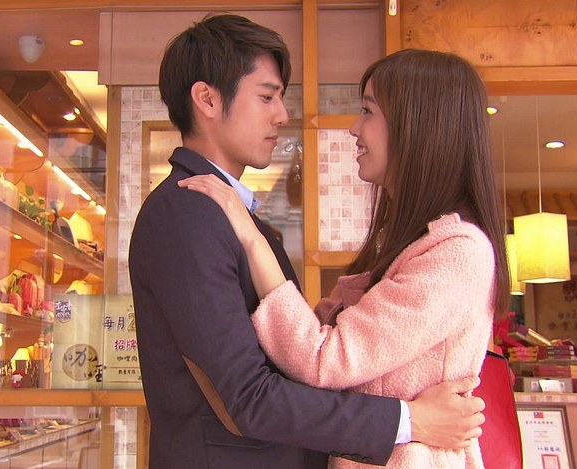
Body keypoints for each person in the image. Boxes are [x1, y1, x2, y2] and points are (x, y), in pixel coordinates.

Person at [130, 14, 485, 469]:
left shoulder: (227, 213)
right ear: (208, 99)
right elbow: (250, 396)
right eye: (266, 97)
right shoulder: (186, 212)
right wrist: (409, 420)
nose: (282, 114)